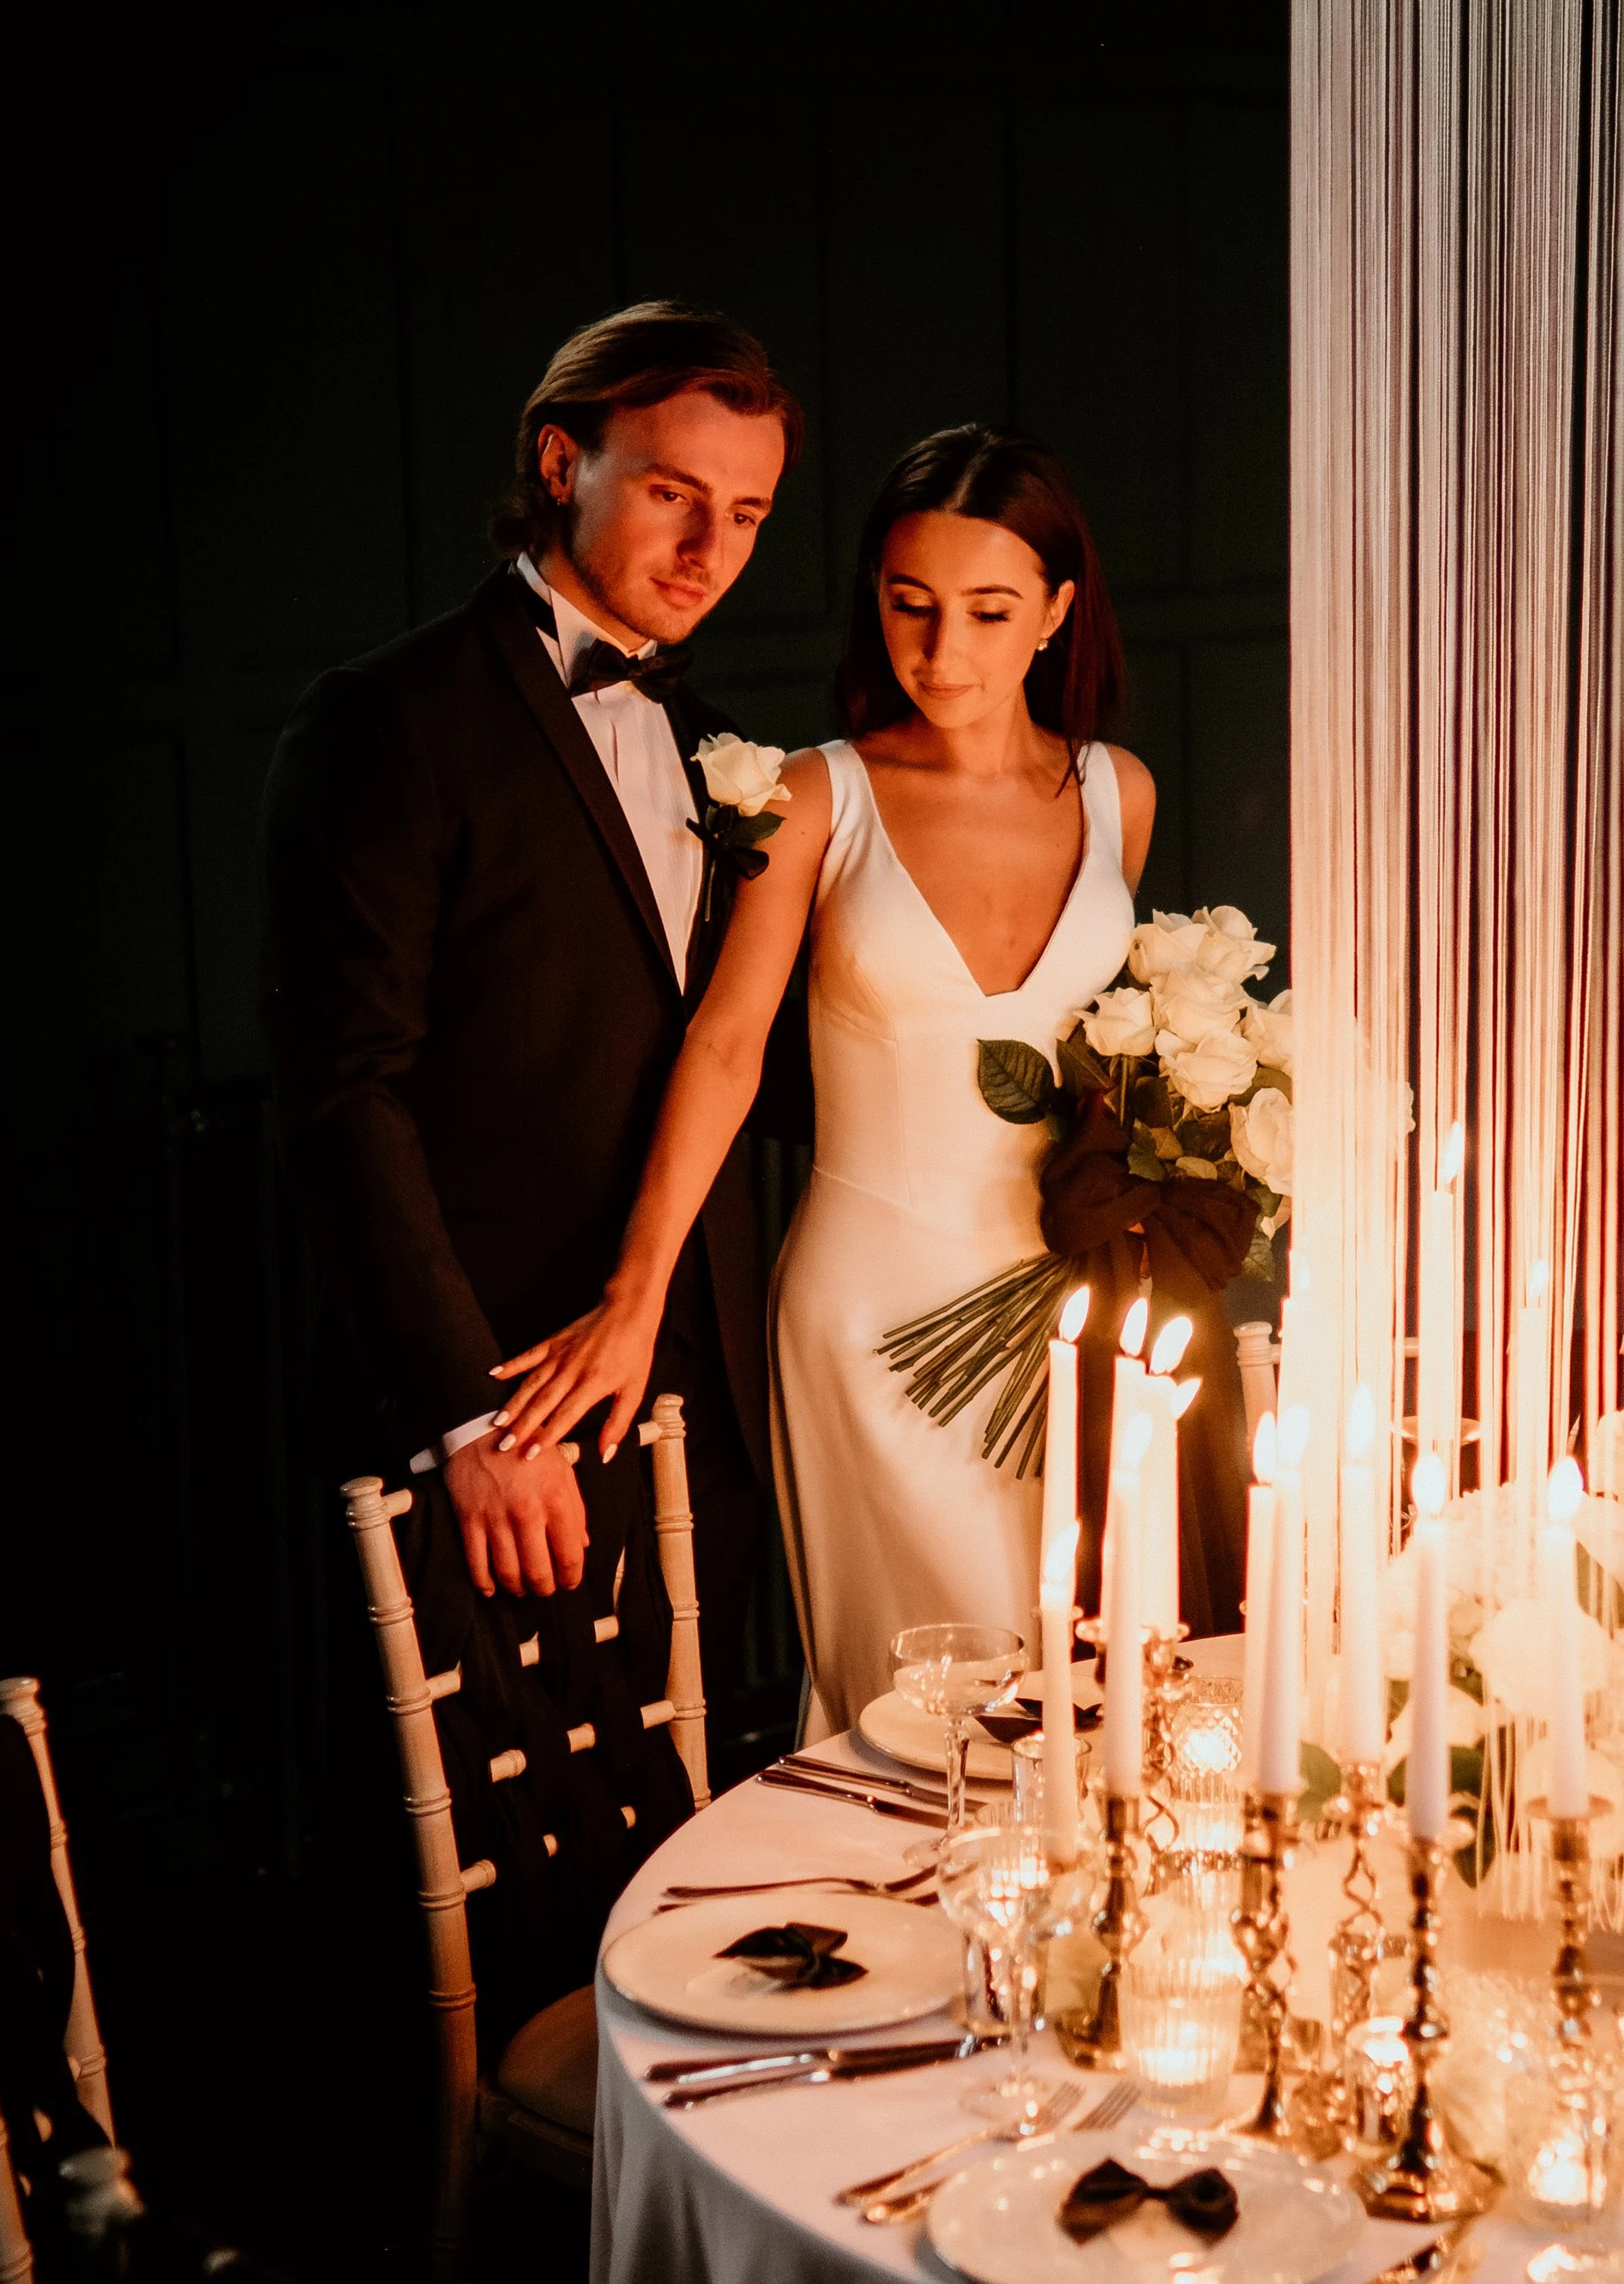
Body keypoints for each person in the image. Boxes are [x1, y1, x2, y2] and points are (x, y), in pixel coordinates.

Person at [494, 426, 1153, 1739]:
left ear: (1057, 614)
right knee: (935, 1709)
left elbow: (1112, 1070)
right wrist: (635, 1294)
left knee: (1085, 1695)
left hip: (1062, 1319)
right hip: (867, 1317)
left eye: (987, 611)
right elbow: (726, 1050)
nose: (941, 651)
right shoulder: (816, 798)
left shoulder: (1117, 795)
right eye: (909, 607)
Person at [264, 301, 801, 1785]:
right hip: (504, 1405)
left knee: (686, 1830)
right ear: (563, 462)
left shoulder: (726, 748)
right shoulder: (388, 719)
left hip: (701, 1381)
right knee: (496, 1869)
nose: (710, 552)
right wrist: (464, 1422)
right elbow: (339, 1095)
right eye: (672, 494)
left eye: (746, 513)